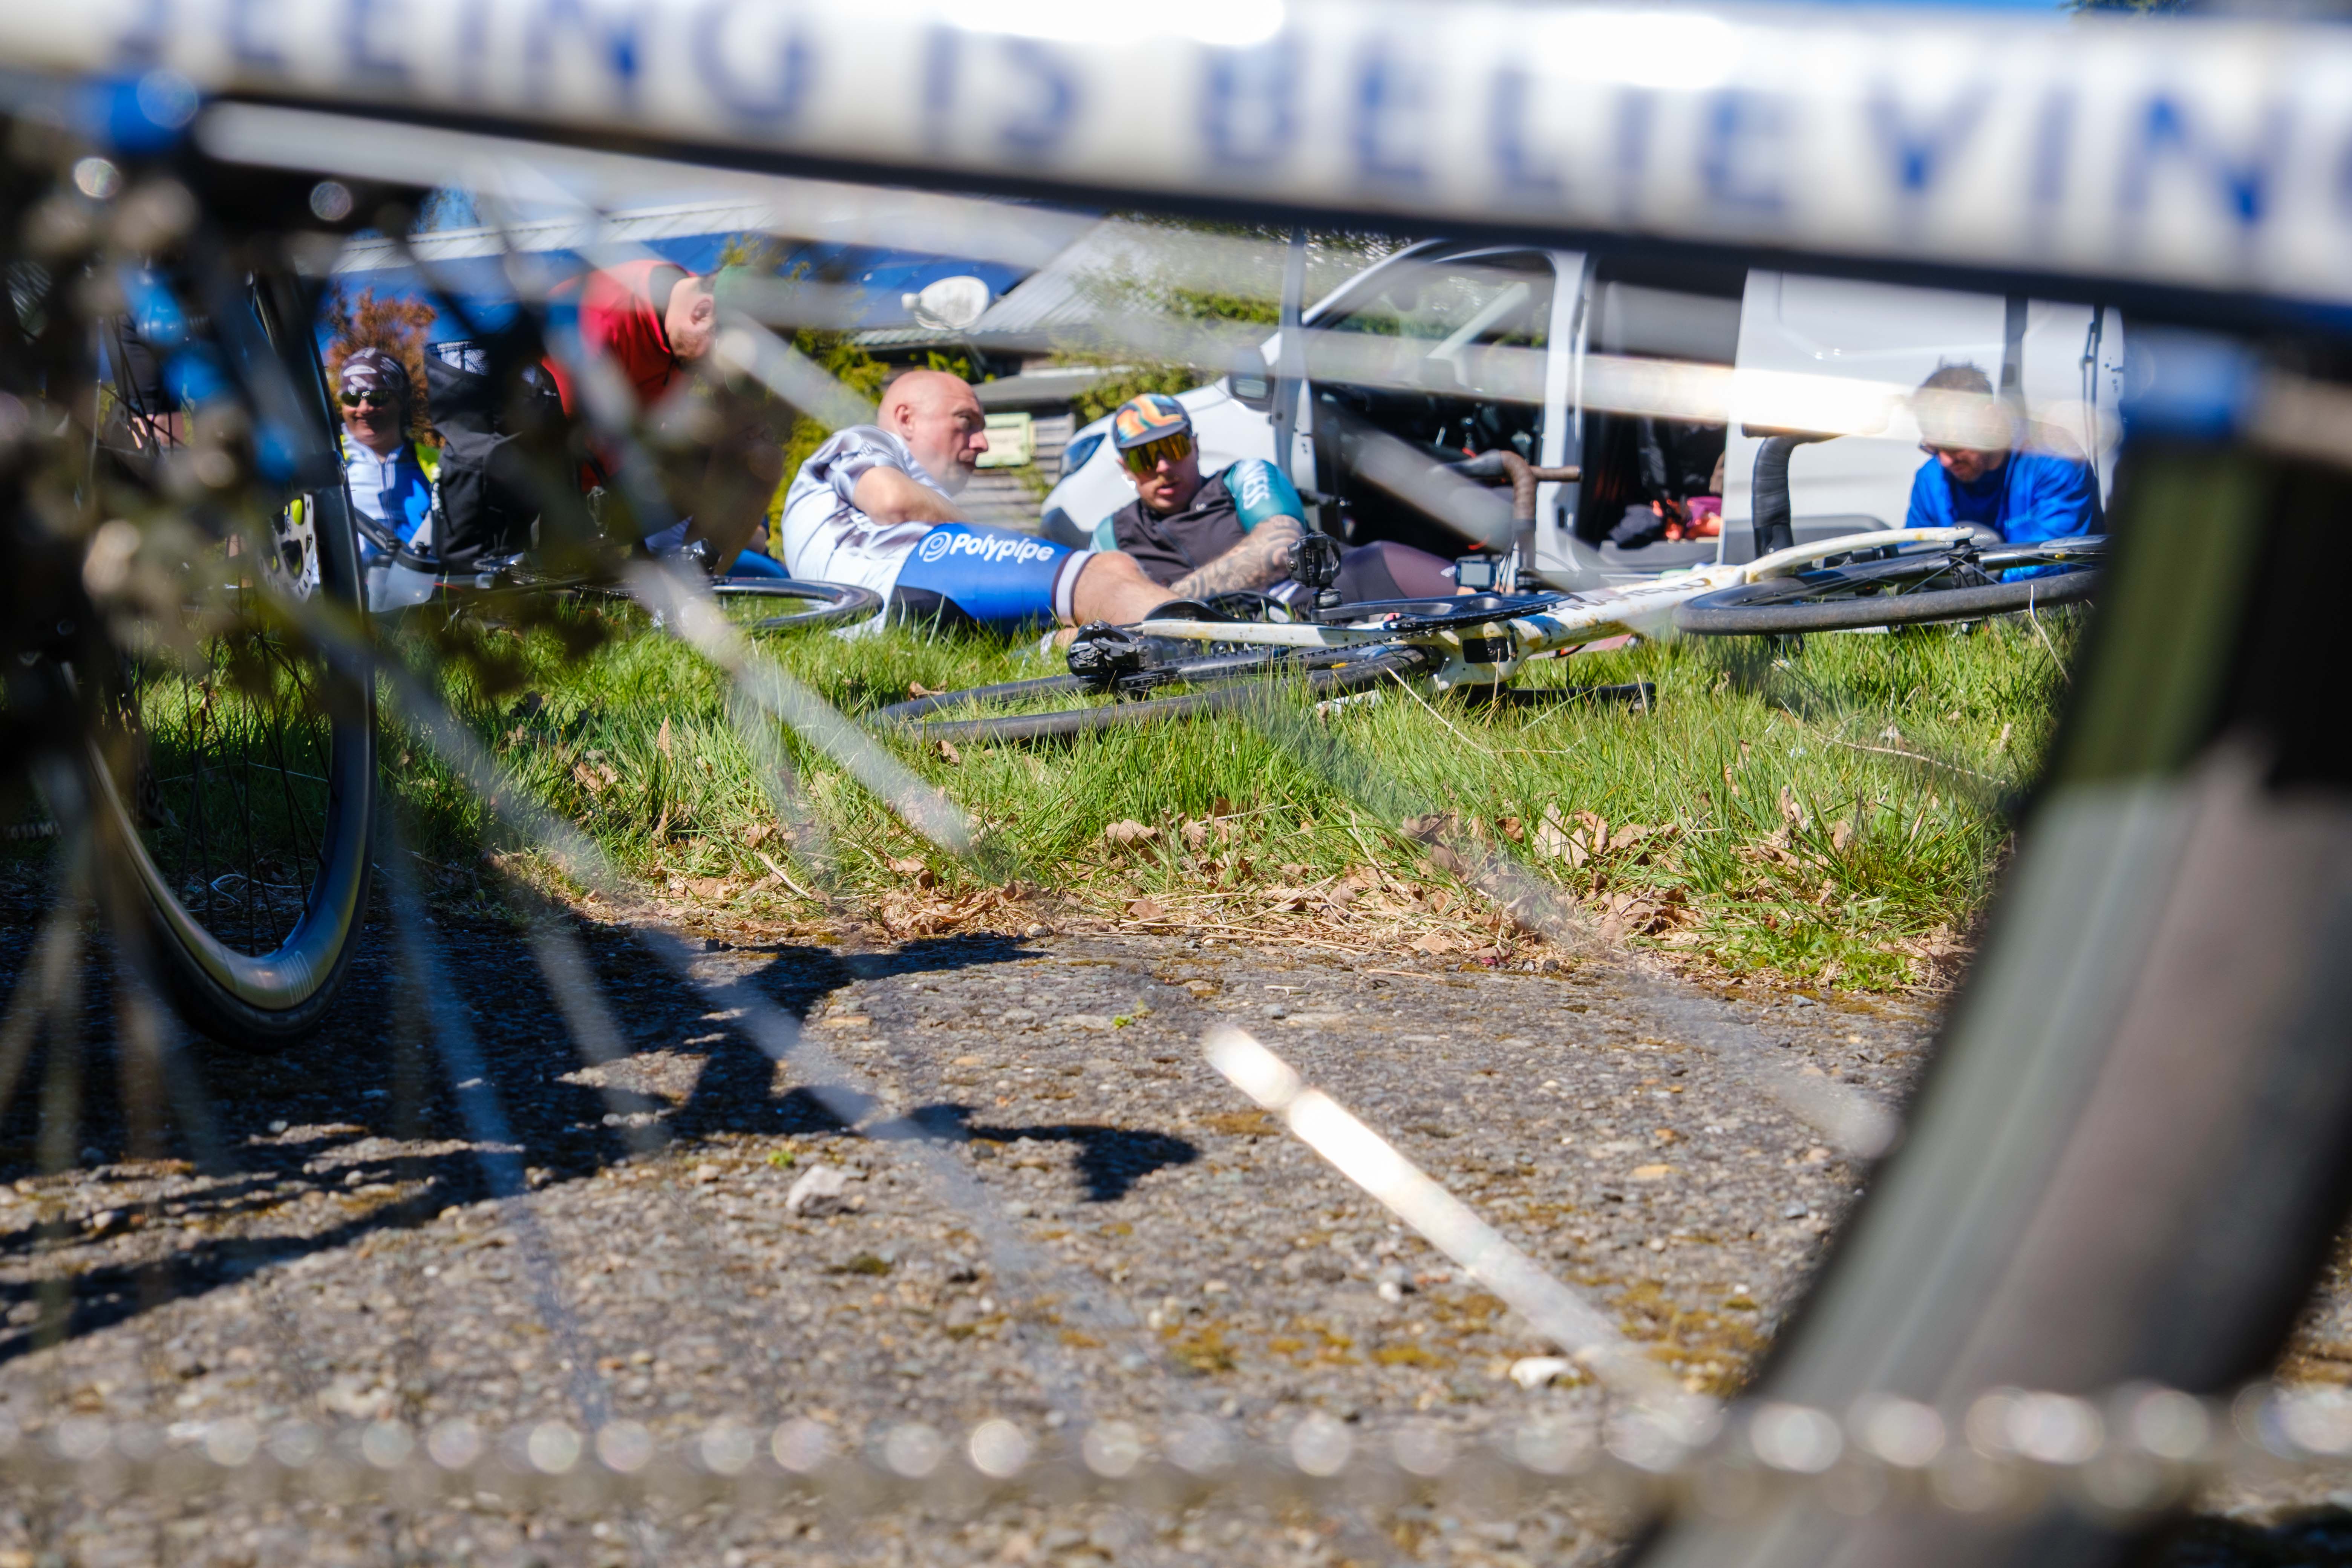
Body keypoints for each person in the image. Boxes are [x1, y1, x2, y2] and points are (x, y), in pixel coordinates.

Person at [779, 369, 1183, 632]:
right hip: (894, 579)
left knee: (1087, 611)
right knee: (1098, 573)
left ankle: (1178, 638)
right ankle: (1222, 642)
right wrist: (992, 534)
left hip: (889, 603)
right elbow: (891, 500)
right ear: (906, 420)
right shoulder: (863, 439)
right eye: (965, 421)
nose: (982, 442)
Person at [1094, 394, 1463, 605]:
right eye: (1144, 457)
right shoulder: (1112, 533)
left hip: (1324, 598)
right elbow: (1092, 607)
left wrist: (1164, 604)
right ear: (1125, 467)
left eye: (1173, 447)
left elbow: (1280, 548)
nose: (1162, 466)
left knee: (1489, 597)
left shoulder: (1242, 477)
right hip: (1231, 653)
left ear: (1195, 445)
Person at [541, 259, 781, 574]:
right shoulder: (605, 317)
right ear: (701, 313)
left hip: (625, 472)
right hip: (560, 487)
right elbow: (549, 441)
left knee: (760, 455)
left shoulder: (692, 296)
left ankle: (693, 587)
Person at [1903, 363, 2099, 544]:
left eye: (1953, 446)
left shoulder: (2054, 458)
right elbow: (1912, 555)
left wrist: (1975, 578)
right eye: (1934, 449)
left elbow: (2056, 558)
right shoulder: (1930, 479)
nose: (1945, 461)